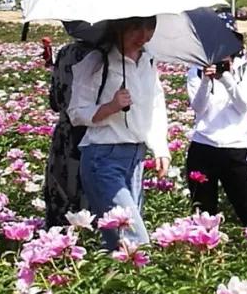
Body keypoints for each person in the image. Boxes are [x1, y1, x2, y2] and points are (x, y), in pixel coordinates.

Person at [68, 16, 170, 251]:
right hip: (102, 157)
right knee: (135, 242)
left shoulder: (148, 61)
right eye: (136, 28)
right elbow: (75, 113)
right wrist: (110, 107)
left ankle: (119, 287)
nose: (143, 36)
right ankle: (145, 288)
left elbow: (155, 106)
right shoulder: (96, 62)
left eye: (149, 28)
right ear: (119, 27)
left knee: (121, 240)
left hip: (135, 157)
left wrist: (160, 147)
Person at [186, 34, 247, 226]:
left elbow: (243, 104)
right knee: (202, 213)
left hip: (234, 148)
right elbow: (198, 108)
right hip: (203, 146)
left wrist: (226, 77)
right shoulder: (196, 70)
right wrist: (206, 80)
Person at [44, 40, 97, 229]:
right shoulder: (110, 54)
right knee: (88, 204)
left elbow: (55, 101)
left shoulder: (67, 51)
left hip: (65, 137)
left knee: (61, 196)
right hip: (94, 137)